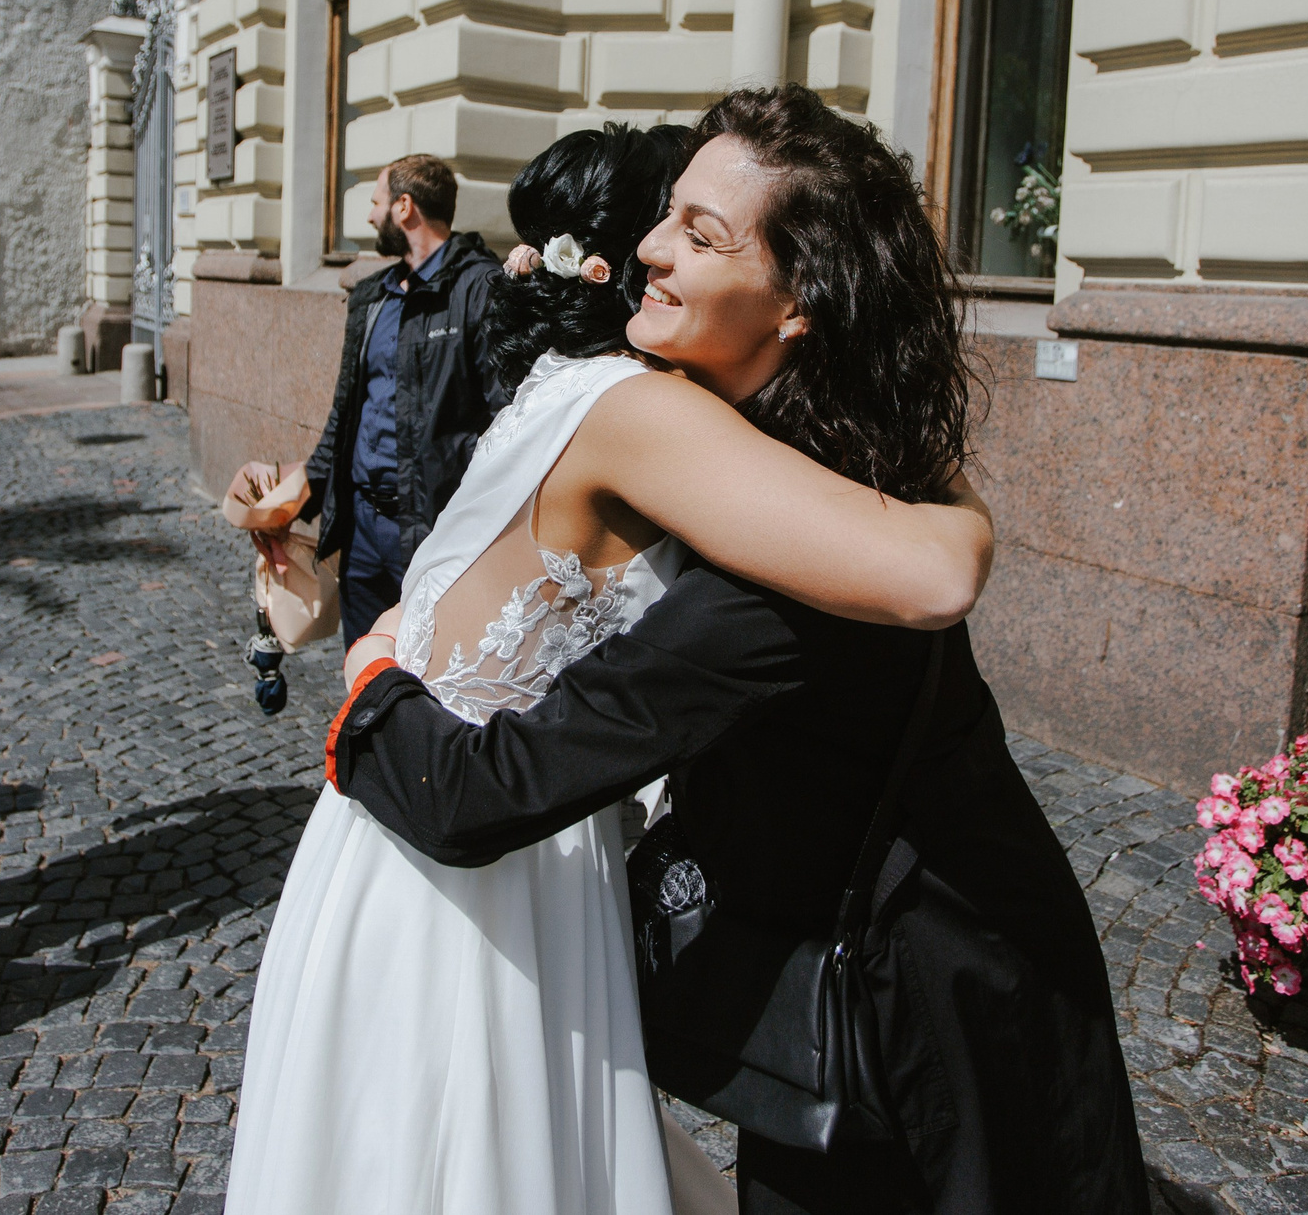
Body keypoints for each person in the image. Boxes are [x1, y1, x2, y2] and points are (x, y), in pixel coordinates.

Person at [331, 88, 1150, 1215]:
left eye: (701, 234)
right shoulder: (816, 452)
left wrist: (369, 683)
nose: (650, 250)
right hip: (907, 970)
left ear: (800, 303)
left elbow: (487, 790)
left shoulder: (784, 570)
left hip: (917, 1027)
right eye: (666, 214)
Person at [227, 154, 504, 643]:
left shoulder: (479, 287)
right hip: (360, 530)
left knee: (424, 675)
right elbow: (344, 417)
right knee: (362, 668)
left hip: (430, 531)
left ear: (404, 206)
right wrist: (288, 504)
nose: (369, 215)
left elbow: (505, 423)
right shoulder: (373, 296)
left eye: (375, 202)